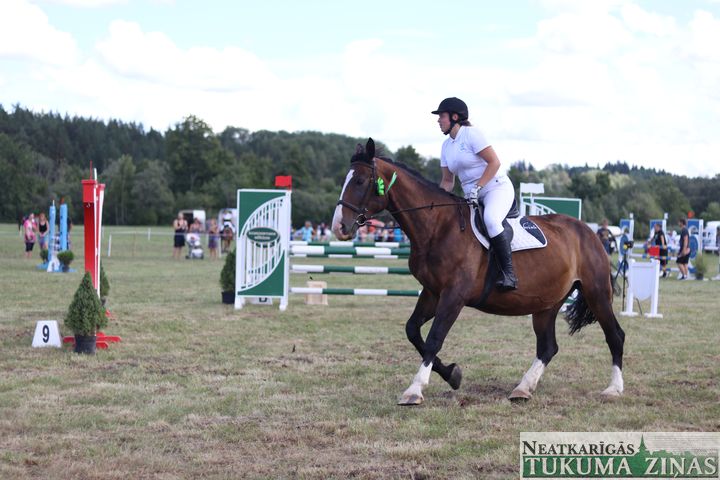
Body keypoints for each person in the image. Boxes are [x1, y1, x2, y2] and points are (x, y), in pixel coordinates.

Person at [432, 97, 517, 290]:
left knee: (491, 220)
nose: (438, 120)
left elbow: (494, 162)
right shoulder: (446, 146)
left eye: (442, 116)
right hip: (472, 196)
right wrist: (436, 203)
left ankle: (509, 274)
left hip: (495, 188)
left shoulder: (471, 134)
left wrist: (478, 187)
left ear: (454, 117)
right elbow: (447, 181)